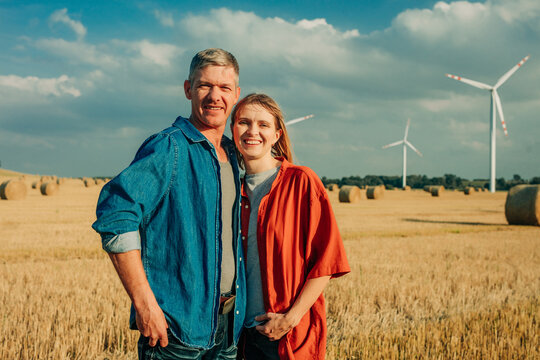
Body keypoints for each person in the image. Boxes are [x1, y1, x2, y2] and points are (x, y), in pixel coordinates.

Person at [92, 48, 246, 359]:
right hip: (176, 332)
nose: (215, 96)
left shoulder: (234, 155)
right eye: (205, 86)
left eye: (225, 88)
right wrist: (144, 304)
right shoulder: (168, 148)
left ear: (236, 95)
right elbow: (115, 215)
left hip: (228, 332)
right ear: (188, 89)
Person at [230, 93, 351, 359]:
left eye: (263, 124)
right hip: (236, 339)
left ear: (277, 135)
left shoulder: (302, 182)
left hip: (287, 335)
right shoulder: (228, 190)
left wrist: (290, 318)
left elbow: (327, 262)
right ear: (233, 130)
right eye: (244, 123)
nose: (253, 131)